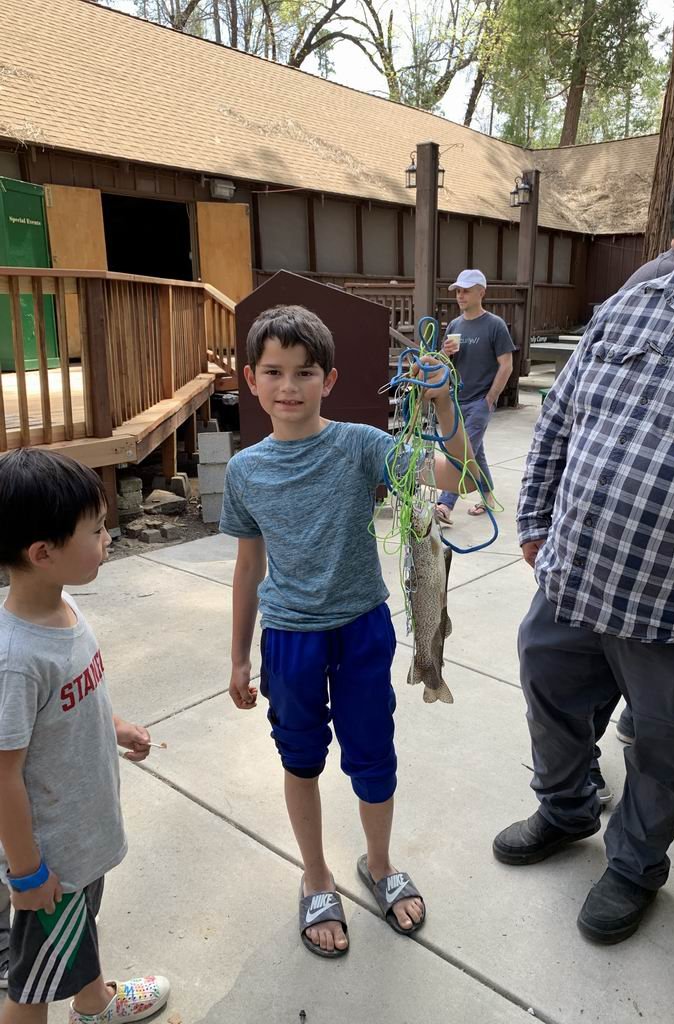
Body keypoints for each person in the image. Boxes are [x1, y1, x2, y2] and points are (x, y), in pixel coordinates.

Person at [494, 139, 674, 945]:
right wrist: (535, 519)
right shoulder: (633, 300)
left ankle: (634, 868)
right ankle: (566, 809)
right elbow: (560, 417)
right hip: (574, 579)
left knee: (659, 750)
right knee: (549, 696)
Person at [220, 304, 477, 958]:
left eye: (305, 372)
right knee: (299, 758)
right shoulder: (245, 471)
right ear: (251, 379)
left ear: (328, 380)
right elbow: (248, 566)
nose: (289, 386)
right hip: (289, 639)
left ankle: (380, 863)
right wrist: (239, 656)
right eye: (274, 372)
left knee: (373, 754)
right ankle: (315, 875)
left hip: (362, 630)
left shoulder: (361, 445)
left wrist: (443, 402)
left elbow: (453, 475)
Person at [0, 449, 170, 1022]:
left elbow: (74, 703)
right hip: (51, 862)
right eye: (95, 531)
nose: (108, 538)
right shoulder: (17, 660)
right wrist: (28, 874)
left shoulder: (65, 605)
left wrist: (115, 727)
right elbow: (3, 775)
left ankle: (94, 1002)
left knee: (78, 933)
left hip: (82, 836)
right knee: (31, 990)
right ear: (42, 553)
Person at [589, 167, 674, 792]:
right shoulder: (642, 290)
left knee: (652, 684)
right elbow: (575, 403)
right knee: (580, 675)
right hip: (602, 553)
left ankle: (639, 723)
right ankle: (583, 777)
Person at [435, 269, 515, 524]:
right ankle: (488, 497)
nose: (460, 295)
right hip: (457, 400)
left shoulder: (495, 325)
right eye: (458, 291)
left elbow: (506, 365)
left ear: (482, 292)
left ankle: (445, 505)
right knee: (474, 452)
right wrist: (445, 354)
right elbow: (443, 365)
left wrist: (490, 399)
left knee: (462, 451)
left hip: (480, 401)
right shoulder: (455, 325)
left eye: (466, 291)